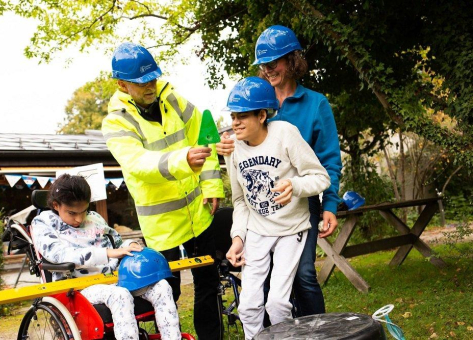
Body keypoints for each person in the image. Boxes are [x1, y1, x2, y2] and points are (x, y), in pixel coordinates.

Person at [217, 25, 343, 317]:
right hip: (261, 208)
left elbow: (328, 160)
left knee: (304, 274)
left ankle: (318, 332)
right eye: (264, 64)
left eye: (274, 62)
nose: (269, 69)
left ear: (292, 60)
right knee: (268, 281)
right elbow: (242, 139)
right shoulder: (255, 98)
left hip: (301, 201)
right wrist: (228, 146)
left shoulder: (315, 104)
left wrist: (331, 204)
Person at [102, 42, 225, 339]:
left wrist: (211, 185)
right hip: (161, 225)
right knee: (164, 291)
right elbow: (139, 164)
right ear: (122, 84)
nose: (149, 86)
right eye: (141, 81)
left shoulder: (175, 100)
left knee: (207, 282)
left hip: (199, 212)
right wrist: (183, 159)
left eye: (153, 78)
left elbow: (204, 142)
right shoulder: (116, 123)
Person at [224, 77, 330, 339]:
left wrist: (294, 186)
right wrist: (238, 239)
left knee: (277, 304)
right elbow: (240, 201)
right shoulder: (233, 149)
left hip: (290, 229)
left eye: (242, 116)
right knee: (248, 306)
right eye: (233, 116)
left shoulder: (284, 133)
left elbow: (321, 178)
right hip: (258, 231)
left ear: (262, 115)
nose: (235, 122)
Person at [31, 174, 181, 340]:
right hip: (78, 287)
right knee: (120, 294)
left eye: (83, 211)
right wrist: (107, 253)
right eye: (72, 213)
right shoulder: (43, 223)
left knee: (162, 287)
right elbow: (58, 254)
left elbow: (116, 242)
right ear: (55, 205)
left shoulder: (94, 218)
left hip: (116, 279)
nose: (79, 218)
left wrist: (129, 246)